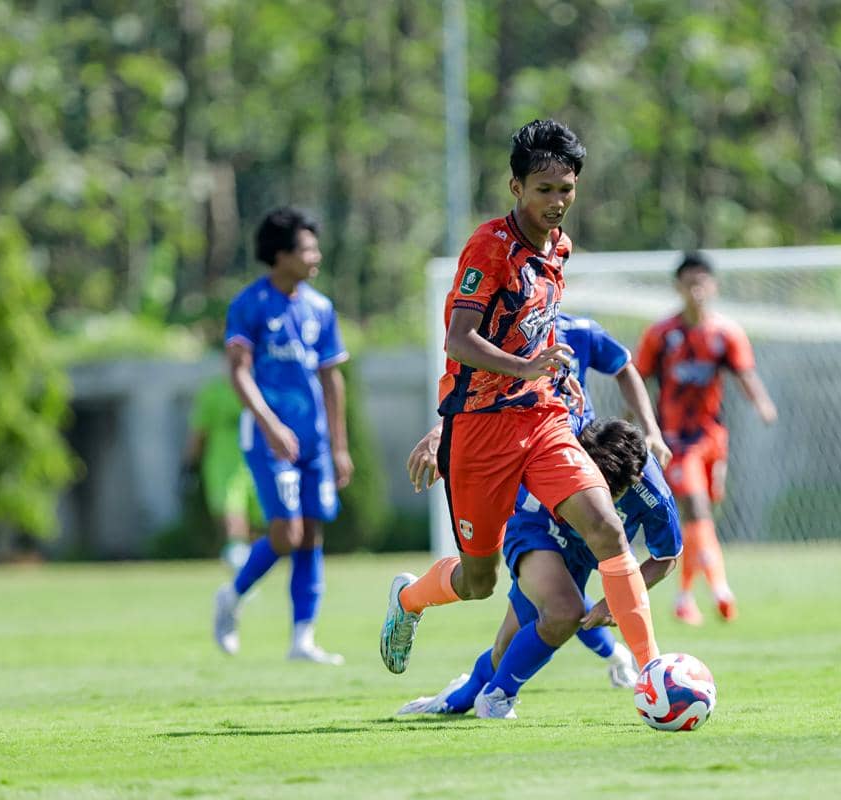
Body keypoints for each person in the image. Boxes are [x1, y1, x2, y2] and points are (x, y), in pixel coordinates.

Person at [380, 119, 660, 681]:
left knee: (604, 526)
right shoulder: (489, 247)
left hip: (541, 418)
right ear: (516, 188)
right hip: (480, 429)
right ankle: (410, 600)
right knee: (479, 583)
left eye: (566, 189)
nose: (557, 202)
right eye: (543, 189)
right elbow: (460, 340)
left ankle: (653, 672)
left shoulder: (561, 248)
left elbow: (532, 322)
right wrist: (523, 368)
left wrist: (551, 364)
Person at [403, 312, 675, 699]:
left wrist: (651, 430)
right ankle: (412, 601)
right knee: (488, 584)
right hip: (521, 475)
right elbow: (470, 392)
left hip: (575, 460)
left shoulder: (580, 333)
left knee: (553, 610)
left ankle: (645, 671)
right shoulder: (496, 335)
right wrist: (441, 430)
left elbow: (624, 367)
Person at [398, 418, 680, 718]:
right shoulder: (567, 434)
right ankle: (496, 698)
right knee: (563, 610)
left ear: (632, 483)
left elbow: (667, 557)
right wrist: (442, 436)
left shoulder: (655, 496)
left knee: (506, 648)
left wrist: (612, 602)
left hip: (583, 551)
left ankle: (460, 696)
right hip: (534, 523)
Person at [212, 206, 354, 664]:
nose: (316, 256)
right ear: (281, 254)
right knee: (286, 533)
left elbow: (332, 379)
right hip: (268, 438)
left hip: (312, 442)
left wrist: (339, 447)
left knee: (312, 532)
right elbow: (238, 372)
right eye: (307, 248)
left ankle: (303, 639)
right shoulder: (249, 304)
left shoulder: (320, 308)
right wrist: (270, 424)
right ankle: (231, 597)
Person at [636, 252, 778, 625]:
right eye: (689, 282)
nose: (697, 288)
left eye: (703, 281)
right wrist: (630, 427)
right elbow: (636, 380)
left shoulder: (725, 333)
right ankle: (720, 590)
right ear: (678, 287)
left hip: (712, 438)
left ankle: (684, 598)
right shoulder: (661, 335)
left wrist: (762, 404)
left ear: (712, 286)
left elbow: (744, 373)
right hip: (675, 442)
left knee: (702, 519)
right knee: (696, 510)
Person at [183, 374, 263, 571]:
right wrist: (189, 465)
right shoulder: (214, 393)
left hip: (256, 466)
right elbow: (199, 432)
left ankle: (251, 570)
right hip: (223, 467)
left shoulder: (262, 389)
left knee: (259, 526)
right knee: (234, 520)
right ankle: (240, 575)